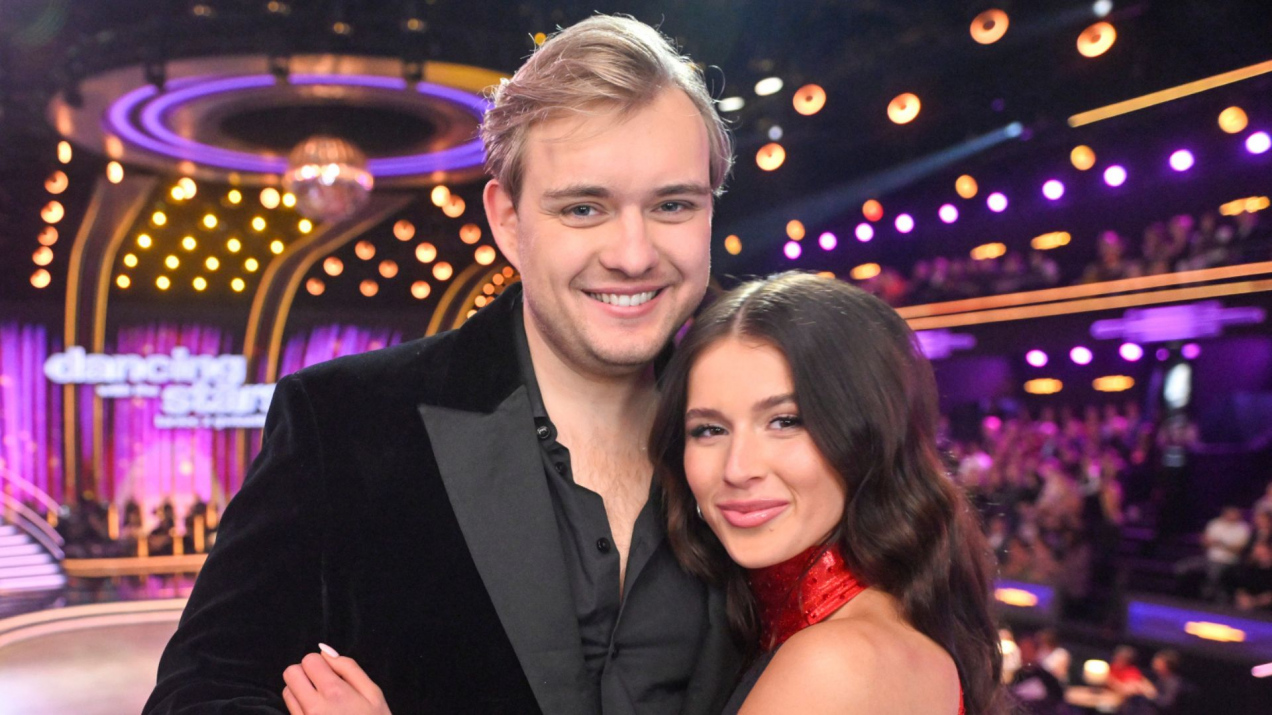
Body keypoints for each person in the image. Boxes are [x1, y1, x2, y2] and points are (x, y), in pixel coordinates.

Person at [144, 15, 739, 715]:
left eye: (672, 205)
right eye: (584, 208)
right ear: (508, 219)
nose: (633, 254)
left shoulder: (773, 429)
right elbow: (197, 693)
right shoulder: (344, 423)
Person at [650, 273, 1003, 714]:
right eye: (709, 430)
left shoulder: (838, 661)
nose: (737, 469)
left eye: (785, 422)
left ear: (870, 437)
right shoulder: (872, 624)